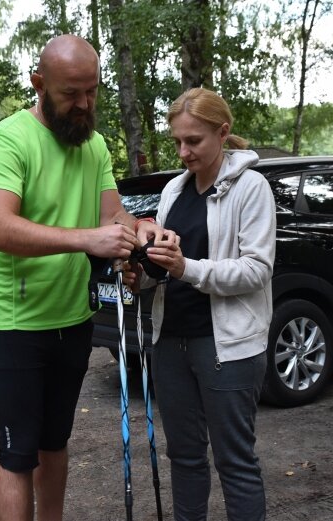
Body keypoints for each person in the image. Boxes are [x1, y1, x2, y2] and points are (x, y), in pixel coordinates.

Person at [0, 35, 171, 521]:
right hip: (14, 321)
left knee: (55, 441)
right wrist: (87, 239)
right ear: (39, 84)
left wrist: (142, 231)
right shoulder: (8, 140)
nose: (84, 104)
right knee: (18, 452)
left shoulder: (95, 144)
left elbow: (113, 215)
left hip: (71, 315)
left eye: (92, 92)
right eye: (71, 94)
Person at [134, 87, 276, 520]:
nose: (183, 152)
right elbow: (163, 267)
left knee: (234, 462)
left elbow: (256, 269)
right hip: (171, 342)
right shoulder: (174, 191)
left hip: (227, 347)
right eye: (177, 141)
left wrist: (185, 269)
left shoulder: (251, 188)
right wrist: (142, 272)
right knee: (185, 457)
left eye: (193, 141)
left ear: (223, 132)